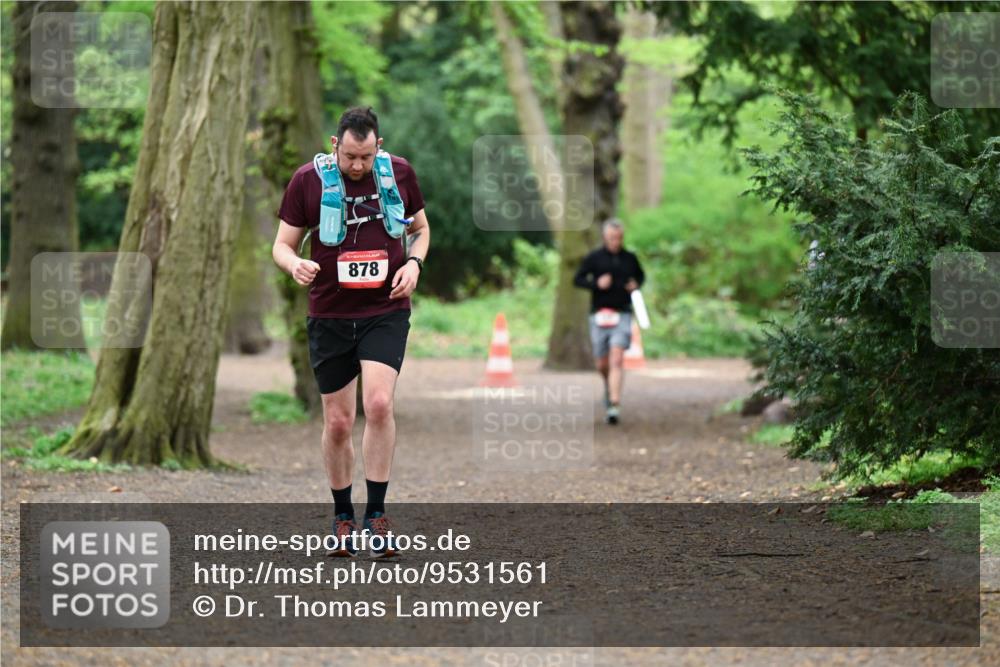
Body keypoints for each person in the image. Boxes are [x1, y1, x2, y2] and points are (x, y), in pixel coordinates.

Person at [272, 107, 429, 558]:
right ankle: (343, 518)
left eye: (365, 156)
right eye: (349, 157)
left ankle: (376, 517)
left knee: (379, 404)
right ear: (333, 145)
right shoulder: (307, 180)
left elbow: (421, 231)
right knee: (339, 422)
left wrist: (415, 263)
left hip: (385, 308)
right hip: (330, 313)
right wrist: (294, 263)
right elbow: (282, 245)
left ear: (378, 147)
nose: (357, 166)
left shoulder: (399, 174)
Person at [573, 219, 644, 425]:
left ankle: (614, 404)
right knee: (602, 362)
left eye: (619, 238)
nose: (616, 241)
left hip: (622, 314)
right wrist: (596, 283)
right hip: (599, 316)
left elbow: (640, 277)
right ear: (605, 237)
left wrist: (635, 284)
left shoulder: (630, 258)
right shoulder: (594, 258)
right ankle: (608, 386)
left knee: (616, 358)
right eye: (613, 238)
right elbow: (577, 279)